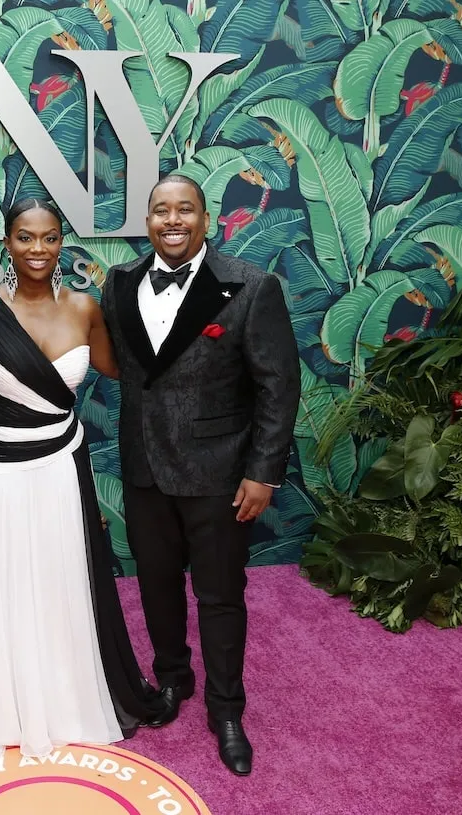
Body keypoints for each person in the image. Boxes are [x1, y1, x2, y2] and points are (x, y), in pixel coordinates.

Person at [0, 198, 164, 770]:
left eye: (51, 238)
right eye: (26, 238)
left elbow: (124, 369)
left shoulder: (85, 308)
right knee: (4, 578)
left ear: (63, 243)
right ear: (6, 243)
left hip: (61, 464)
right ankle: (3, 697)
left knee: (60, 577)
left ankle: (63, 690)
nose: (38, 249)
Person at [100, 174, 301, 776]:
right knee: (156, 586)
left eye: (184, 209)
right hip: (144, 470)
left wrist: (263, 473)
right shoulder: (120, 284)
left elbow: (278, 387)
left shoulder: (250, 285)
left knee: (219, 596)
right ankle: (171, 681)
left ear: (206, 218)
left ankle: (227, 709)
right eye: (160, 210)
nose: (172, 221)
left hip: (220, 473)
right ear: (148, 220)